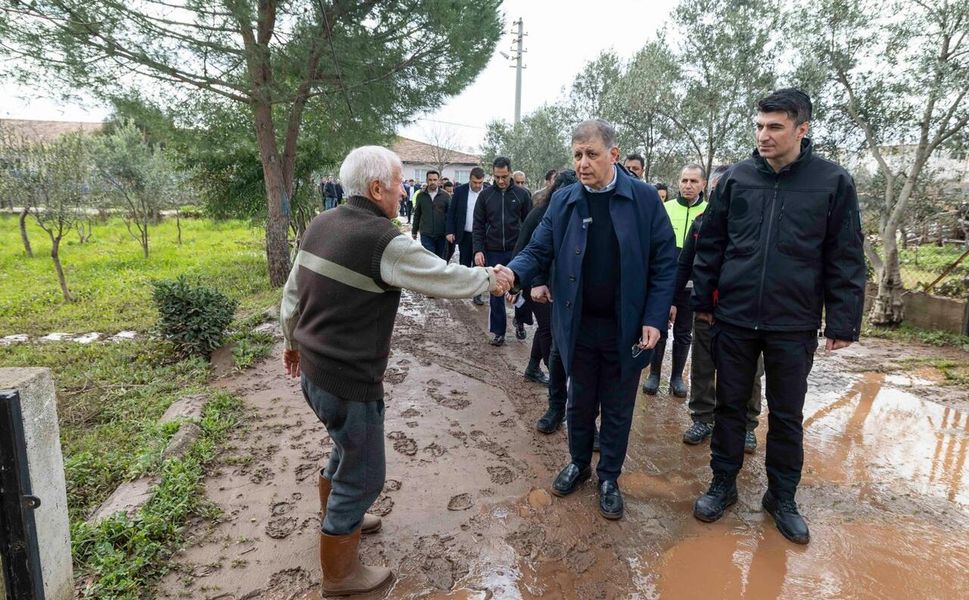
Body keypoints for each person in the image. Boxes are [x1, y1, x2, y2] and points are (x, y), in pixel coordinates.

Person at [280, 145, 513, 595]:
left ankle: (339, 516)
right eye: (398, 181)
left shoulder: (321, 223)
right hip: (348, 379)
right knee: (366, 473)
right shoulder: (383, 239)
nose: (402, 190)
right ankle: (341, 574)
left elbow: (292, 292)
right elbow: (442, 277)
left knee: (344, 444)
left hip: (312, 370)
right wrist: (491, 279)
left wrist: (290, 343)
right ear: (375, 189)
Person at [690, 89, 865, 544]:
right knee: (730, 407)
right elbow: (711, 242)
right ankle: (722, 484)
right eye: (759, 126)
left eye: (775, 127)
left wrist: (843, 320)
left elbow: (845, 253)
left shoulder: (832, 182)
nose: (763, 135)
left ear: (801, 130)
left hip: (794, 321)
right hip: (735, 316)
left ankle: (781, 497)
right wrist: (704, 303)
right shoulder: (736, 179)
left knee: (786, 414)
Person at [505, 119, 676, 520]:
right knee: (579, 401)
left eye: (591, 154)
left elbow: (666, 262)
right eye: (577, 154)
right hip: (577, 324)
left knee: (617, 406)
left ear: (613, 155)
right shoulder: (564, 201)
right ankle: (579, 463)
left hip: (627, 327)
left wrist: (654, 317)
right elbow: (538, 249)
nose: (582, 163)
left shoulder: (644, 199)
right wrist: (514, 273)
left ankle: (609, 477)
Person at [676, 165, 764, 451]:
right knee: (702, 366)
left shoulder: (756, 224)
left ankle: (748, 425)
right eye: (716, 189)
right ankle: (702, 417)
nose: (720, 194)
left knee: (750, 372)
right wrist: (673, 300)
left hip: (746, 314)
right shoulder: (700, 223)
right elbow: (685, 265)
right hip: (706, 310)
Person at [642, 163, 707, 398]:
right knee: (658, 326)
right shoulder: (665, 208)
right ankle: (654, 374)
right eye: (684, 181)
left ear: (703, 184)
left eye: (693, 181)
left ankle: (677, 376)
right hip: (664, 281)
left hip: (692, 285)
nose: (688, 186)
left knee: (683, 331)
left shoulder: (709, 212)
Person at [522, 170, 579, 432]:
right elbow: (538, 249)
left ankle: (589, 422)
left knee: (590, 362)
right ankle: (556, 408)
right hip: (560, 293)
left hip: (592, 298)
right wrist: (534, 281)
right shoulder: (549, 213)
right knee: (557, 352)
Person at [473, 157, 532, 346]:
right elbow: (478, 225)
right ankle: (498, 331)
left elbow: (529, 225)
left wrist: (527, 249)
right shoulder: (485, 196)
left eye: (504, 176)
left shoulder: (522, 195)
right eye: (497, 177)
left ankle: (520, 321)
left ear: (510, 173)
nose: (501, 181)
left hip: (517, 251)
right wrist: (478, 250)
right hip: (494, 250)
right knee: (496, 291)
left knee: (520, 290)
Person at [446, 166, 487, 305]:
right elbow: (452, 212)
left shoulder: (489, 191)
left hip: (482, 236)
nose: (477, 185)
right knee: (464, 262)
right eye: (475, 182)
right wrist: (450, 231)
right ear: (470, 179)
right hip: (464, 234)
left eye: (480, 182)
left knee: (479, 264)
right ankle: (464, 289)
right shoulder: (460, 191)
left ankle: (477, 293)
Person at [411, 170, 451, 260]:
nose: (432, 182)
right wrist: (414, 230)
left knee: (440, 260)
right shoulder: (421, 196)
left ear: (439, 181)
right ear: (426, 180)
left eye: (434, 180)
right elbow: (417, 214)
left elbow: (450, 216)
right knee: (429, 260)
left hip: (441, 234)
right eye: (430, 180)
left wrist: (450, 231)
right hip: (426, 234)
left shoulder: (445, 196)